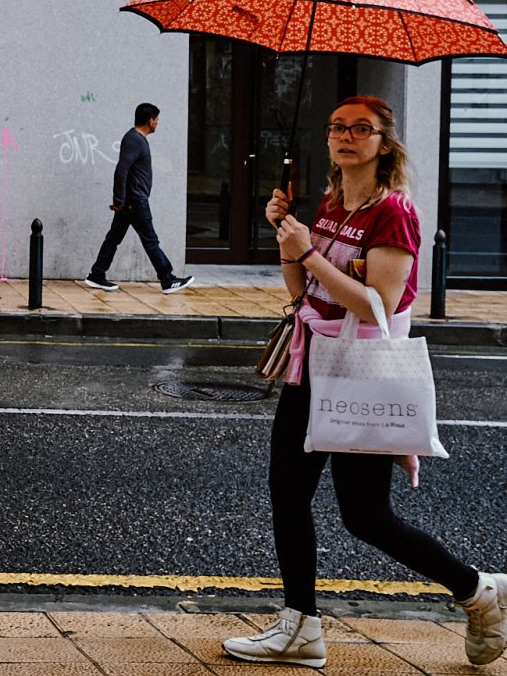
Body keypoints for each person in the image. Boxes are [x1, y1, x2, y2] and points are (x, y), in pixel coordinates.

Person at [221, 95, 506, 668]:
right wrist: (288, 238)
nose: (345, 135)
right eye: (336, 127)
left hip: (360, 374)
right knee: (288, 493)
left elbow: (376, 304)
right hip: (314, 365)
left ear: (384, 142)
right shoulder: (331, 203)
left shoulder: (392, 211)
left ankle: (480, 592)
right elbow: (305, 293)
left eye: (361, 128)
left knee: (365, 516)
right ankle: (300, 626)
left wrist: (311, 254)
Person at [79, 102, 194, 294]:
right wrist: (118, 200)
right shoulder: (134, 140)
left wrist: (120, 200)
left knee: (113, 238)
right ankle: (167, 279)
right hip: (135, 201)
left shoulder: (137, 139)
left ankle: (97, 275)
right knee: (150, 240)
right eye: (157, 119)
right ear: (150, 121)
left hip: (130, 201)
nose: (158, 123)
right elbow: (121, 170)